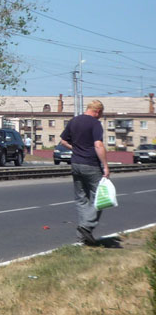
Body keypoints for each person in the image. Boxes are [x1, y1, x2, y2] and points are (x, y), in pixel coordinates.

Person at [59, 99, 110, 246]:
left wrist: (76, 149)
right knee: (101, 198)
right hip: (91, 164)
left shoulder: (74, 121)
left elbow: (63, 141)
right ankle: (86, 226)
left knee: (81, 200)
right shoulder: (95, 123)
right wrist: (105, 166)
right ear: (98, 111)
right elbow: (98, 145)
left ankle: (81, 239)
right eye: (101, 113)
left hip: (76, 164)